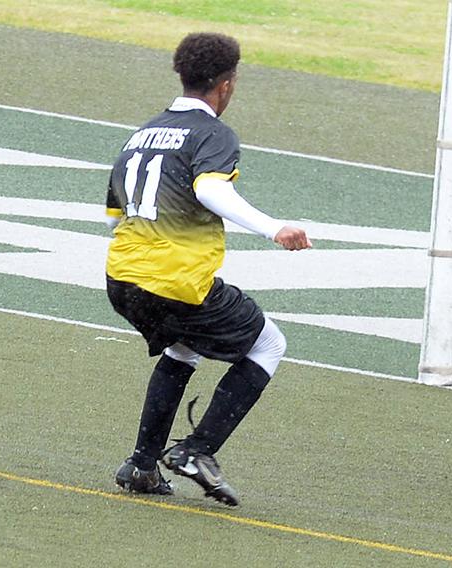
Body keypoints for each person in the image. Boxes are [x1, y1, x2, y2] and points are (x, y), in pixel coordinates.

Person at [104, 32, 311, 506]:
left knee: (183, 346)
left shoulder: (141, 134)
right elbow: (210, 190)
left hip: (121, 280)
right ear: (227, 83)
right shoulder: (213, 133)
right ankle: (198, 451)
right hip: (173, 281)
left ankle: (141, 465)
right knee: (268, 343)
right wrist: (274, 228)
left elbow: (116, 212)